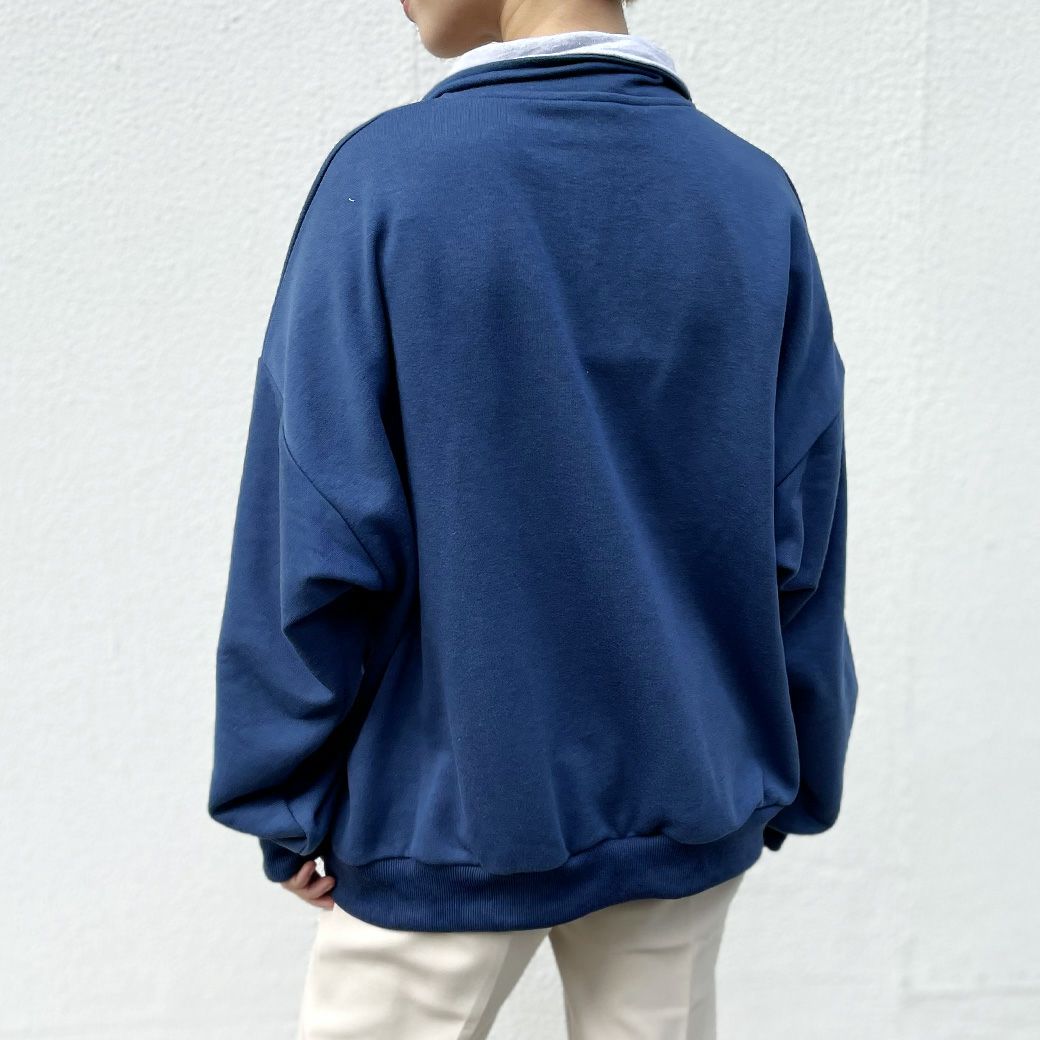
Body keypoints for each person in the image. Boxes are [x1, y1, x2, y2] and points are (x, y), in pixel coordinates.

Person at [207, 0, 859, 1036]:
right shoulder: (749, 193)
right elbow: (801, 523)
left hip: (445, 812)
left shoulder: (390, 178)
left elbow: (312, 521)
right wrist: (796, 764)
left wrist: (280, 792)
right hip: (690, 794)